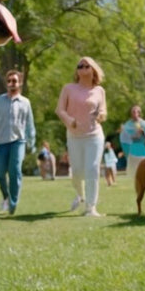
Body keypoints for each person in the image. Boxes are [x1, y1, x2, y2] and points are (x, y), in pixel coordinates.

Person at [55, 56, 107, 217]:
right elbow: (59, 110)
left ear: (93, 70)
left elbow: (103, 111)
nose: (83, 68)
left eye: (86, 66)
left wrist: (101, 115)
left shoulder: (99, 91)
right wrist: (69, 120)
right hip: (74, 136)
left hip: (94, 135)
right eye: (80, 66)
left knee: (92, 169)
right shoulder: (68, 88)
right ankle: (80, 195)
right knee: (77, 172)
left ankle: (91, 208)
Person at [0, 69, 36, 215]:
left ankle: (13, 203)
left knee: (15, 170)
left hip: (18, 141)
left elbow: (30, 124)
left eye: (14, 81)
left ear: (20, 83)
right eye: (9, 81)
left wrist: (31, 142)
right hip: (0, 142)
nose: (11, 83)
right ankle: (6, 196)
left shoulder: (25, 102)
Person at [119, 105, 145, 178]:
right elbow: (124, 137)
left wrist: (144, 133)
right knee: (134, 170)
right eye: (133, 112)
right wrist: (132, 135)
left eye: (136, 112)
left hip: (142, 148)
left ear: (139, 113)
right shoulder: (127, 125)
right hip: (132, 148)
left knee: (143, 168)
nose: (135, 114)